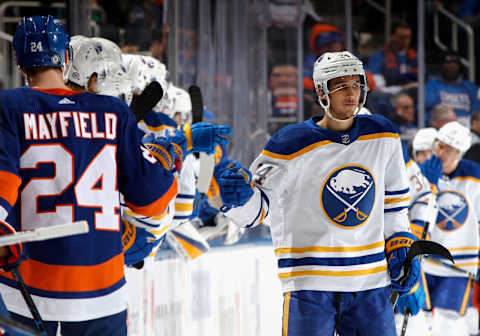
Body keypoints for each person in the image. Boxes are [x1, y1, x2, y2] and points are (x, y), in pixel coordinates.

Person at [215, 51, 420, 335]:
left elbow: (394, 204)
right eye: (341, 86)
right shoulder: (290, 144)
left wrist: (400, 240)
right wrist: (237, 199)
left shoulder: (383, 135)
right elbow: (257, 212)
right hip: (309, 284)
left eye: (356, 84)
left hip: (370, 282)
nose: (351, 93)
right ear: (322, 91)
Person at [0, 15, 180, 335]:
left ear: (18, 64)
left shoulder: (9, 106)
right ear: (66, 59)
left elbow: (4, 182)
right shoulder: (113, 112)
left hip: (26, 290)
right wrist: (168, 159)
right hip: (104, 293)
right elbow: (152, 200)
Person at [418, 121, 480, 336]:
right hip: (424, 262)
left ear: (460, 154)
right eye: (440, 145)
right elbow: (414, 218)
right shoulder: (421, 174)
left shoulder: (475, 176)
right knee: (418, 320)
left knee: (448, 322)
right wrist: (428, 187)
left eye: (449, 150)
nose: (441, 153)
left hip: (460, 263)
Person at [425, 51, 480, 128]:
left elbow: (476, 111)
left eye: (455, 62)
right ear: (441, 65)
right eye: (448, 62)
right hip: (442, 127)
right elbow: (430, 110)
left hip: (467, 127)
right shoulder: (432, 84)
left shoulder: (470, 86)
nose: (452, 65)